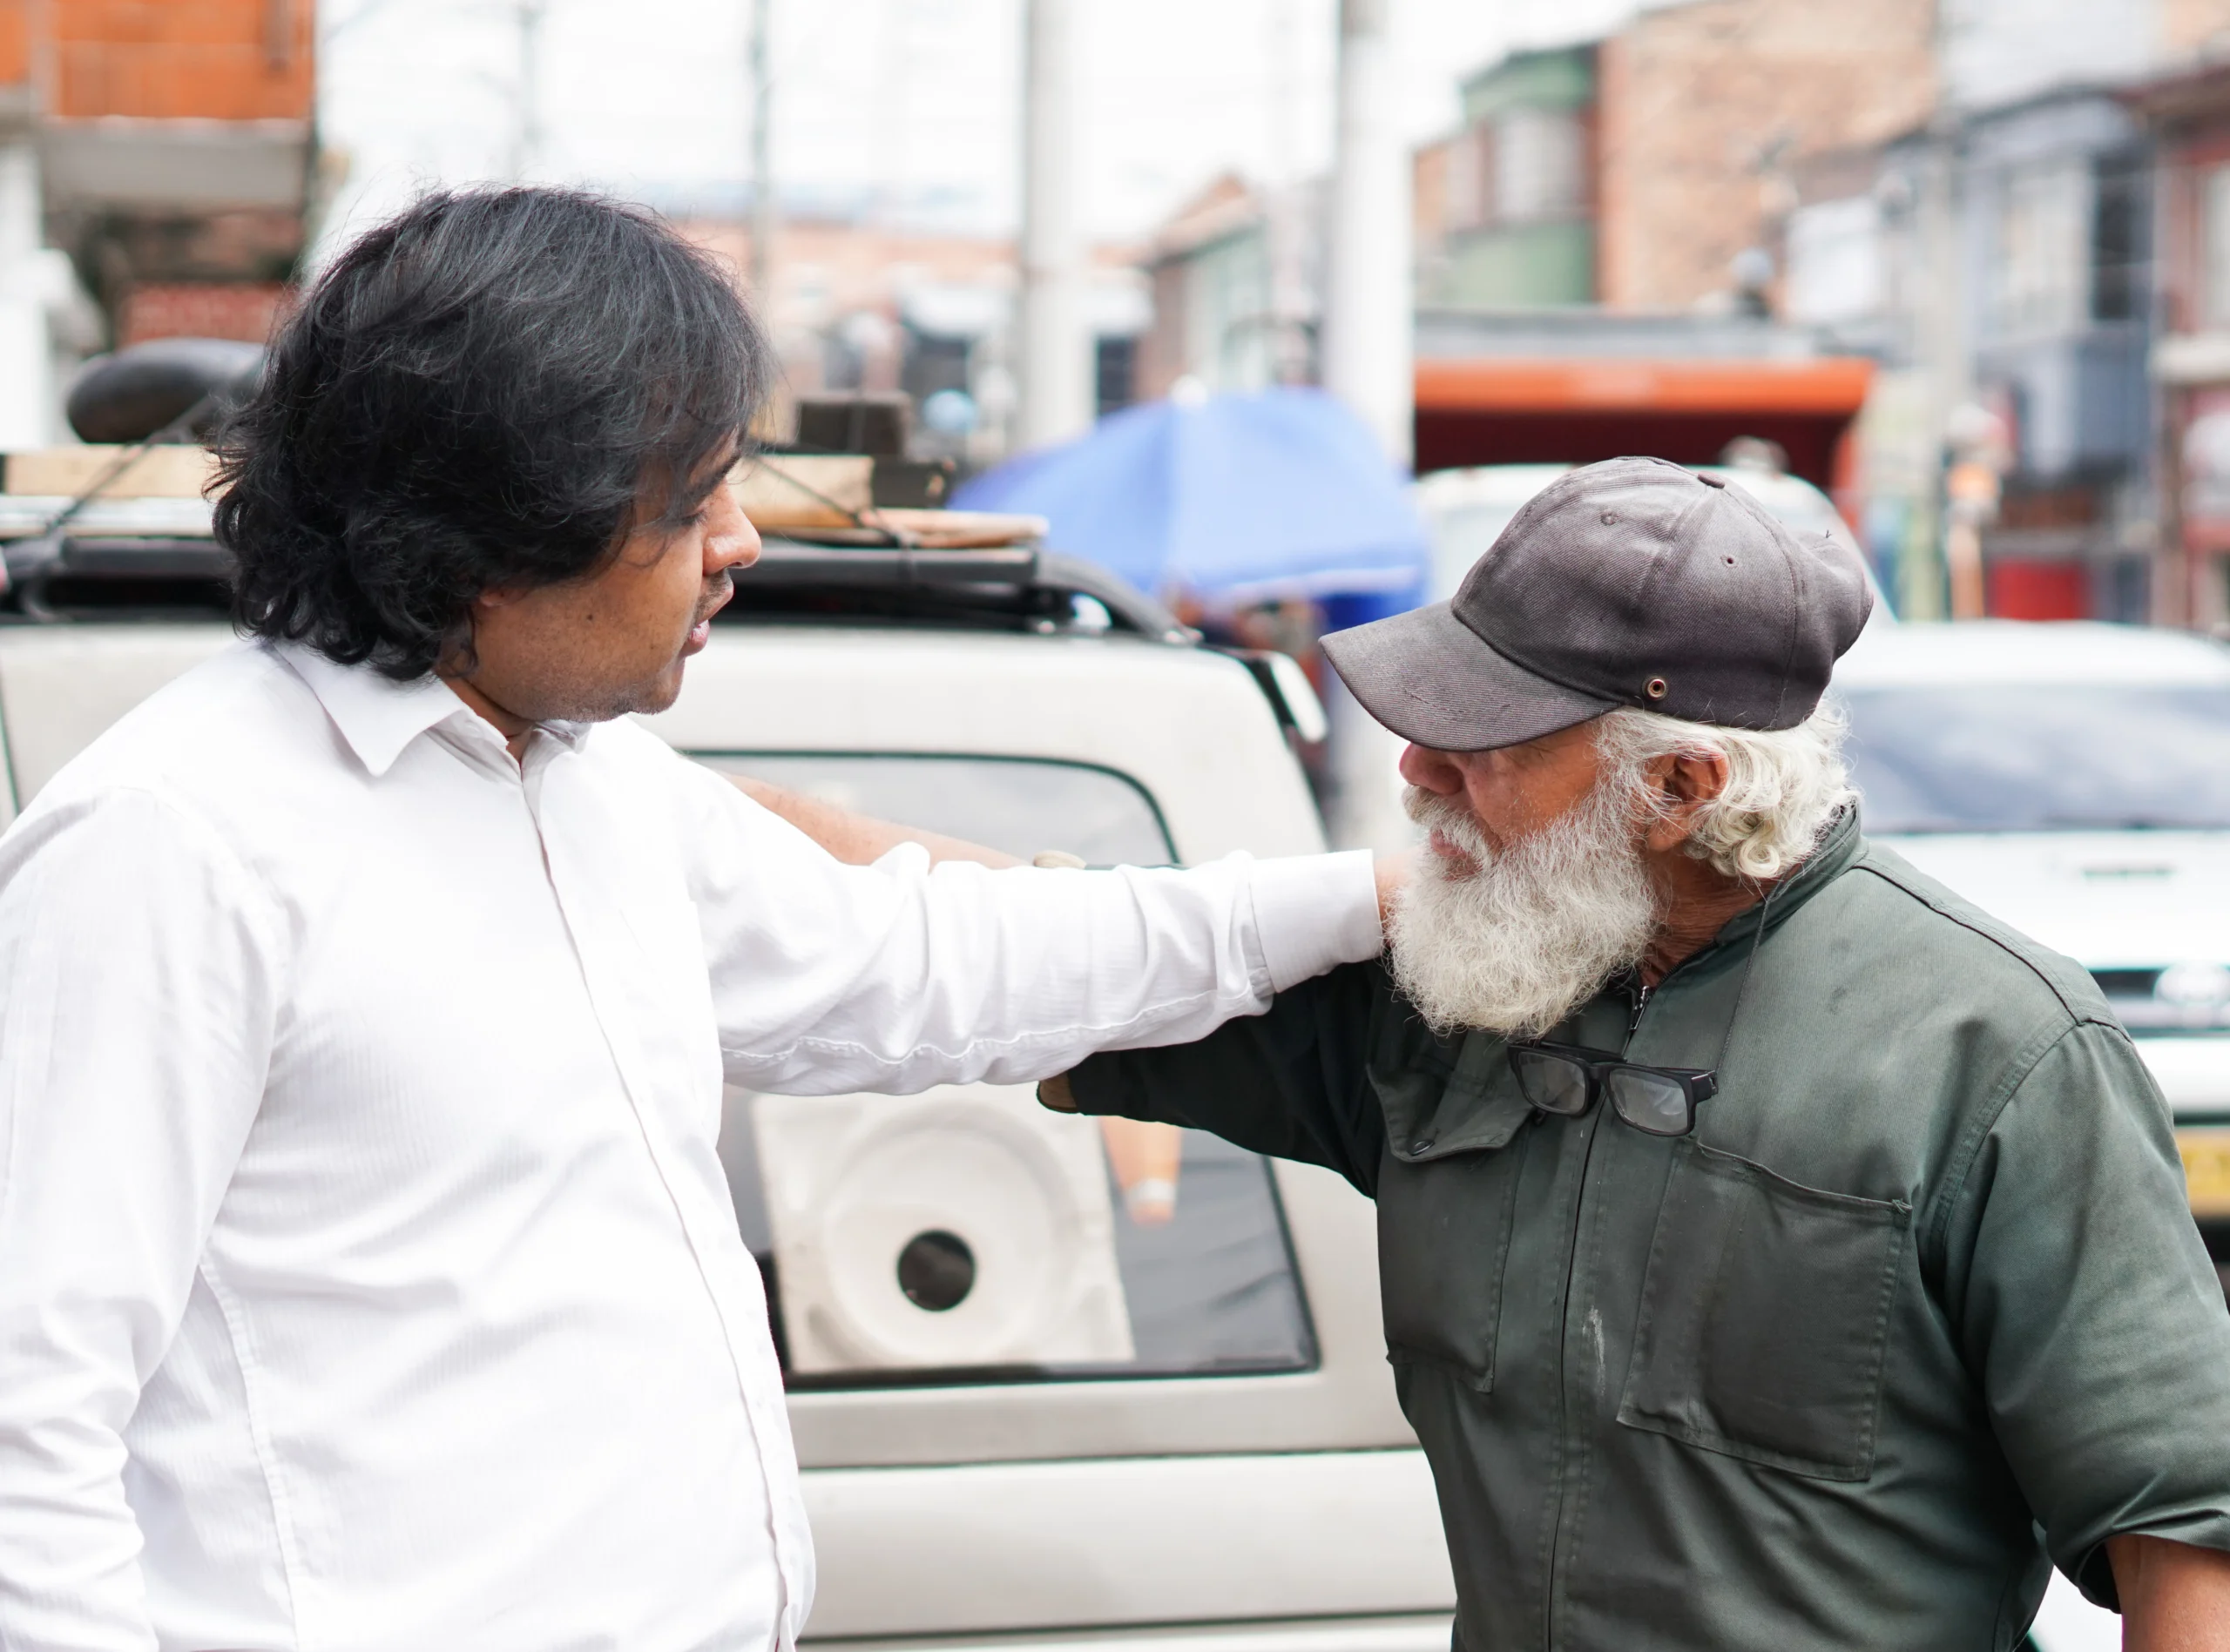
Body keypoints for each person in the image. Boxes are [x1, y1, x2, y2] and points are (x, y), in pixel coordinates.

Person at [0, 187, 1395, 1650]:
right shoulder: (173, 848)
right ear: (491, 536)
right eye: (686, 503)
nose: (739, 541)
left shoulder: (591, 785)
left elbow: (929, 965)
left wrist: (1360, 900)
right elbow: (31, 1419)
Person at [1040, 458, 2230, 1651]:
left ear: (1677, 788)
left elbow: (2183, 1543)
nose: (1417, 771)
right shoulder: (1469, 980)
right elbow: (1059, 969)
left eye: (1482, 742)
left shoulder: (2001, 1051)